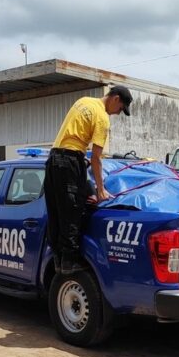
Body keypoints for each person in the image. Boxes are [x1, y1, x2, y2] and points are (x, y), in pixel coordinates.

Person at [45, 85, 132, 274]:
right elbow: (96, 158)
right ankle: (69, 263)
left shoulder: (84, 101)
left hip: (53, 160)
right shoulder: (102, 118)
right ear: (115, 99)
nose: (117, 114)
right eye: (120, 109)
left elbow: (74, 137)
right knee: (73, 211)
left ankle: (59, 261)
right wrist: (101, 189)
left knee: (56, 212)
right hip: (69, 162)